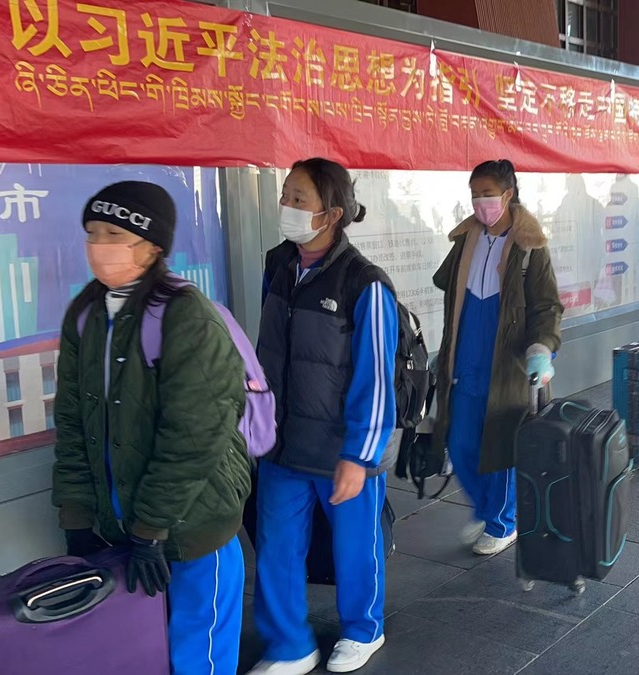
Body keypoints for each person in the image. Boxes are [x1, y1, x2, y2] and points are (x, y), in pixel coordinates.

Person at [53, 181, 251, 675]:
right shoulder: (85, 314)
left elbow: (194, 434)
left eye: (114, 235)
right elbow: (73, 422)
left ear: (153, 247)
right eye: (92, 232)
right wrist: (77, 515)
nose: (99, 246)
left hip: (195, 521)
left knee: (198, 652)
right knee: (143, 649)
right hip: (124, 524)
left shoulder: (187, 315)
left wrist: (150, 528)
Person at [251, 158, 398, 674]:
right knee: (276, 548)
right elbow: (269, 352)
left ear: (332, 214)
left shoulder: (365, 283)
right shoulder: (278, 266)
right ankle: (289, 643)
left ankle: (363, 629)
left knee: (355, 548)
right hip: (282, 442)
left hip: (341, 450)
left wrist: (360, 454)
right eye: (285, 195)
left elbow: (376, 379)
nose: (286, 206)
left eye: (299, 199)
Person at [431, 159, 563, 555]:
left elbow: (547, 306)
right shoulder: (468, 239)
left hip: (506, 364)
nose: (479, 202)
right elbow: (447, 286)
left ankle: (502, 522)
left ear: (508, 194)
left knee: (500, 447)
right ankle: (487, 508)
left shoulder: (529, 247)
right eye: (474, 194)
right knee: (460, 443)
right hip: (465, 357)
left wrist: (541, 350)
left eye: (486, 194)